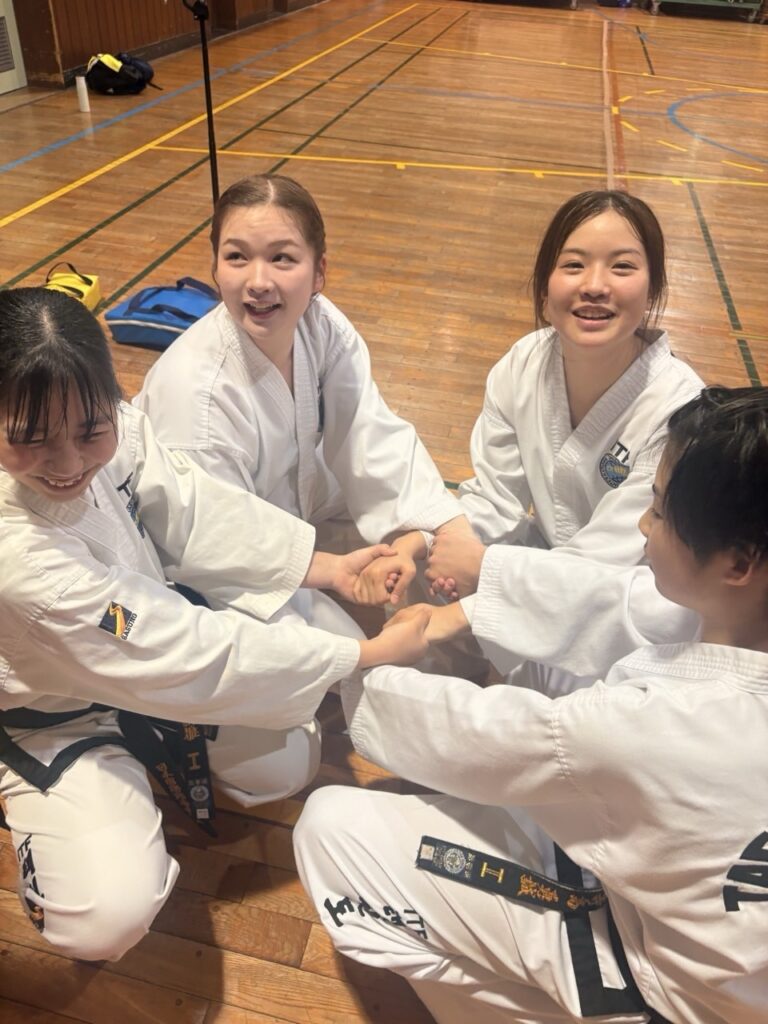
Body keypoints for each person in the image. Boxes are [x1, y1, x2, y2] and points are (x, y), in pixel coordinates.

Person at [294, 386, 768, 1024]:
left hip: (680, 992)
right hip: (721, 943)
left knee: (331, 828)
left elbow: (486, 739)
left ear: (737, 563)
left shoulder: (656, 728)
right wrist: (466, 598)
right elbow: (622, 602)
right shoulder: (735, 615)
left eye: (658, 510)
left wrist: (364, 664)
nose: (643, 525)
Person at [0, 287, 429, 963]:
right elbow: (174, 647)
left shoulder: (113, 420)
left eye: (89, 430)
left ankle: (145, 759)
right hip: (56, 712)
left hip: (140, 646)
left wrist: (328, 568)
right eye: (31, 440)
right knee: (103, 916)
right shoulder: (16, 557)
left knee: (283, 764)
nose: (69, 461)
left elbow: (194, 509)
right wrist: (362, 655)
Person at [134, 173, 468, 629]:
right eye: (236, 257)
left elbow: (369, 433)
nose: (258, 282)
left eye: (282, 258)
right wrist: (329, 576)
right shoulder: (197, 394)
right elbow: (214, 541)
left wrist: (437, 529)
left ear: (319, 272)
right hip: (220, 567)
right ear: (215, 267)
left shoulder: (319, 324)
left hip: (298, 513)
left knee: (431, 550)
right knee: (353, 653)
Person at [421, 191, 705, 686]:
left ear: (654, 286)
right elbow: (496, 498)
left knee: (553, 684)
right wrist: (439, 541)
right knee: (426, 572)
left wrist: (484, 575)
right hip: (549, 564)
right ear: (545, 285)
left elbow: (604, 559)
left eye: (622, 267)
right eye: (573, 265)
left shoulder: (678, 406)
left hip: (630, 601)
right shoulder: (523, 364)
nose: (594, 286)